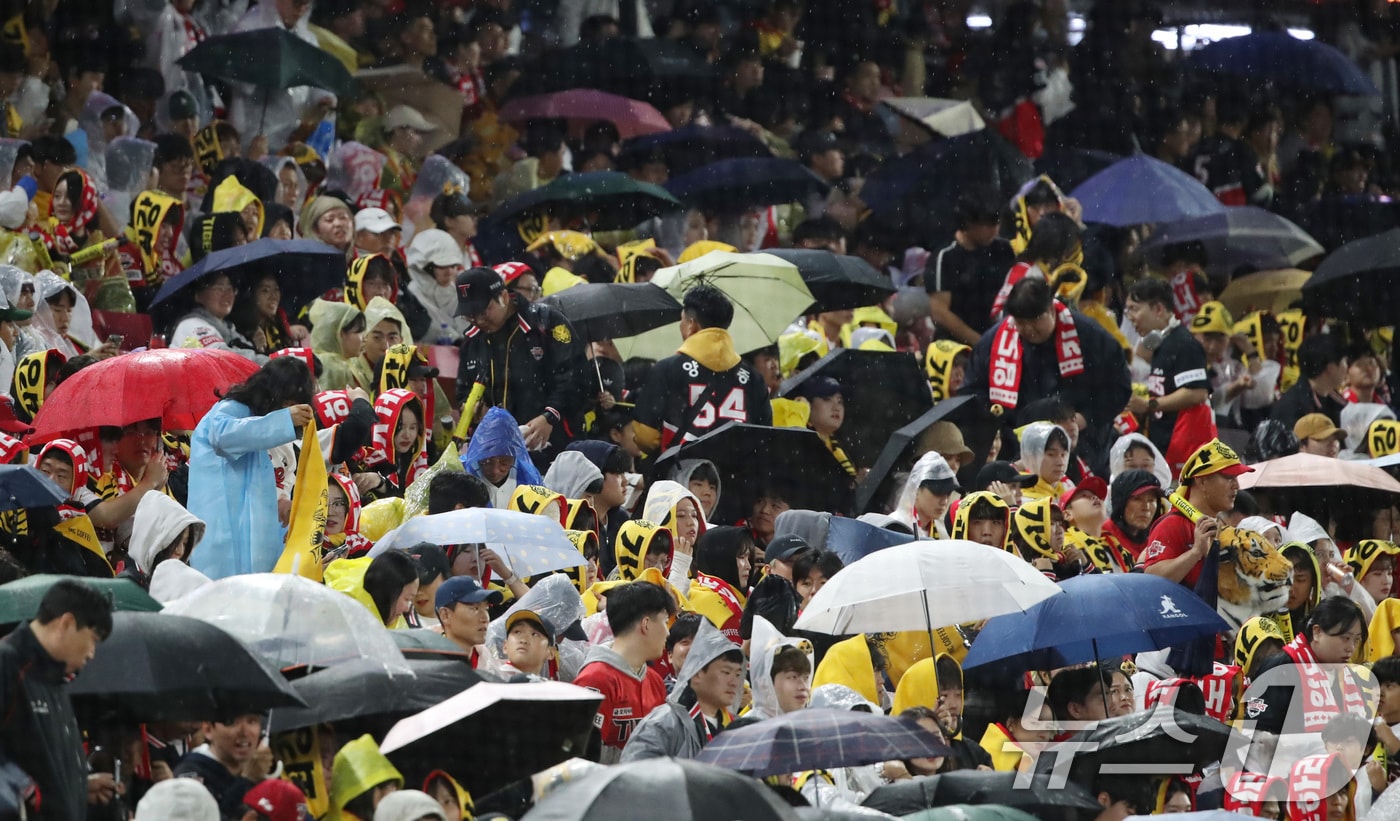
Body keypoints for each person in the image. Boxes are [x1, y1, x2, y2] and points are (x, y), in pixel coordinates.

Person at [963, 278, 1130, 463]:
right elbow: (972, 393)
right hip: (1014, 448)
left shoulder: (1091, 336)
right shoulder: (993, 343)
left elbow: (1118, 387)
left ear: (1051, 310)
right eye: (1020, 322)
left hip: (1083, 445)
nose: (1027, 329)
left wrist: (1086, 417)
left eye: (1034, 320)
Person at [188, 357, 316, 579]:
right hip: (221, 536)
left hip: (256, 539)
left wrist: (282, 500)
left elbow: (268, 479)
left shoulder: (268, 425)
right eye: (287, 402)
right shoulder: (230, 409)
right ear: (271, 391)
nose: (289, 409)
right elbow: (224, 439)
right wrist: (284, 419)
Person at [0, 579, 113, 821]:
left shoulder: (58, 680)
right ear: (67, 623)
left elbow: (39, 763)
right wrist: (25, 792)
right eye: (92, 639)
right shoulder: (6, 664)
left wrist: (78, 786)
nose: (92, 653)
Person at [454, 267, 589, 452]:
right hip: (496, 452)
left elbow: (577, 377)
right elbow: (463, 389)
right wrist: (473, 409)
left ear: (503, 296)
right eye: (469, 315)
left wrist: (549, 416)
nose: (477, 320)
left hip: (553, 445)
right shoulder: (472, 339)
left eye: (483, 311)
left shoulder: (546, 322)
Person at [633, 284, 772, 453]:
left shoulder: (666, 370)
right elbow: (765, 438)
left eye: (682, 320)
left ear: (691, 324)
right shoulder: (753, 378)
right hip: (736, 475)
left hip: (682, 473)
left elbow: (645, 436)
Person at [574, 581, 676, 764]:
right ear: (646, 624)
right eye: (665, 622)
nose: (668, 633)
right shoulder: (595, 679)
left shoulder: (654, 680)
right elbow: (581, 758)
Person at [1123, 277, 1213, 475]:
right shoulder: (1160, 344)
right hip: (1165, 448)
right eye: (1127, 311)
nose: (1130, 317)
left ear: (1158, 310)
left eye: (1135, 309)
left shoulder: (1184, 344)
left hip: (1183, 453)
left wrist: (1149, 405)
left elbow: (1197, 392)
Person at [621, 618, 744, 761]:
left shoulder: (736, 724)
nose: (695, 649)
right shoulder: (661, 723)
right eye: (685, 642)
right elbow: (636, 774)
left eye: (702, 641)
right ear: (670, 655)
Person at [1142, 439, 1252, 586]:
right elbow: (1151, 580)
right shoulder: (1171, 524)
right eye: (1228, 477)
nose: (1236, 485)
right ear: (1202, 481)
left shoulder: (1225, 528)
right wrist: (1195, 553)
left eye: (1236, 478)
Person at [925, 193, 1015, 346]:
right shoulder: (945, 257)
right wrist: (982, 343)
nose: (995, 231)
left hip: (1001, 341)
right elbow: (939, 312)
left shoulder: (1004, 249)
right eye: (988, 225)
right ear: (967, 223)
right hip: (957, 347)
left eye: (997, 224)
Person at [174, 713, 275, 817]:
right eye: (231, 722)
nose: (244, 732)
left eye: (251, 721)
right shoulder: (189, 775)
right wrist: (246, 780)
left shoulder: (261, 771)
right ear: (208, 729)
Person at [120, 491, 205, 590]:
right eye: (174, 541)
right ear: (152, 538)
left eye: (185, 543)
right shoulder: (125, 589)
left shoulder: (184, 587)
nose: (180, 551)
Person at [1271, 333, 1348, 430]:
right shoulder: (1292, 407)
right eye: (1345, 361)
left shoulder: (1335, 400)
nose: (1347, 368)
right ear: (1331, 368)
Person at [747, 615, 813, 719]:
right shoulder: (749, 729)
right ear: (765, 684)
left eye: (806, 678)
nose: (803, 686)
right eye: (793, 677)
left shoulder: (807, 727)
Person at [435, 575, 504, 669]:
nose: (485, 618)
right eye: (475, 608)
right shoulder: (429, 663)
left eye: (486, 608)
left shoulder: (490, 664)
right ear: (445, 615)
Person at [891, 452, 959, 538]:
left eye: (948, 493)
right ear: (916, 490)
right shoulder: (894, 526)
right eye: (938, 492)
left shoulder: (943, 534)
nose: (944, 501)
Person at [1102, 469, 1165, 560]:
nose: (1146, 507)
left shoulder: (1155, 539)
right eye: (1137, 499)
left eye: (1151, 500)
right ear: (1121, 502)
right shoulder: (1104, 538)